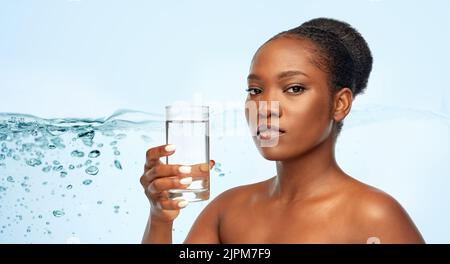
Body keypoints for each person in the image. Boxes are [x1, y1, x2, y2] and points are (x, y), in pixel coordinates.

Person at [140, 17, 425, 244]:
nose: (265, 107)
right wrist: (160, 218)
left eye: (294, 88)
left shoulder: (374, 216)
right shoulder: (227, 211)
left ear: (339, 103)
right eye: (255, 90)